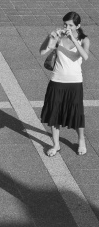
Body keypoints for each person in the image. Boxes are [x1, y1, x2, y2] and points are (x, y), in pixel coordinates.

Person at [40, 11, 90, 157]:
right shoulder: (58, 37)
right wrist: (50, 38)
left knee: (76, 113)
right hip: (57, 81)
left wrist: (73, 40)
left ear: (77, 26)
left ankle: (81, 140)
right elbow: (42, 52)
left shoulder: (84, 39)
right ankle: (56, 145)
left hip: (74, 82)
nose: (66, 27)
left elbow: (85, 56)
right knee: (54, 113)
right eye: (65, 24)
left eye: (70, 25)